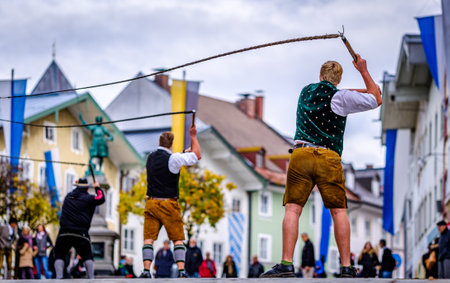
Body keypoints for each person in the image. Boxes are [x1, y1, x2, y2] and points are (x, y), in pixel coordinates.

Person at [260, 55, 382, 278]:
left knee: (293, 209)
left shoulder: (306, 91)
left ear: (320, 75)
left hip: (301, 154)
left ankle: (286, 263)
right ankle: (346, 267)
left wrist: (362, 91)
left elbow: (346, 92)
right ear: (339, 80)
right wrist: (364, 71)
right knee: (338, 211)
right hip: (328, 156)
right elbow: (376, 99)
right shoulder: (341, 97)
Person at [139, 125, 201, 279]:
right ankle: (181, 272)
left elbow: (169, 159)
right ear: (171, 144)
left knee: (149, 238)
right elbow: (197, 155)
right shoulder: (174, 159)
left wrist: (181, 154)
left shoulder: (150, 157)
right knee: (177, 238)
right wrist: (193, 136)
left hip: (151, 202)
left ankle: (146, 271)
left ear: (159, 142)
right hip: (169, 204)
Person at [53, 178, 105, 279]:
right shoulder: (89, 198)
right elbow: (101, 198)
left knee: (59, 253)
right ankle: (91, 279)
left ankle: (58, 278)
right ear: (86, 188)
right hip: (81, 233)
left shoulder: (68, 197)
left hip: (65, 232)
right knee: (87, 255)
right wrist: (97, 187)